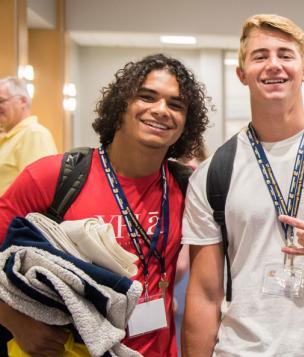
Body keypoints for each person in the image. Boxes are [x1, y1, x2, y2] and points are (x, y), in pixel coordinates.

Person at [181, 14, 304, 356]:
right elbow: (204, 293)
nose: (273, 65)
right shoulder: (214, 171)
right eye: (260, 56)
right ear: (242, 74)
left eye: (285, 55)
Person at [0, 54, 209, 356]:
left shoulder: (188, 186)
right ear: (121, 105)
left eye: (175, 104)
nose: (161, 110)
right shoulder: (53, 177)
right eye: (146, 97)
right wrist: (14, 320)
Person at [0, 76, 57, 195]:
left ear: (22, 101)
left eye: (1, 101)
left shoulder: (34, 134)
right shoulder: (8, 136)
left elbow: (40, 190)